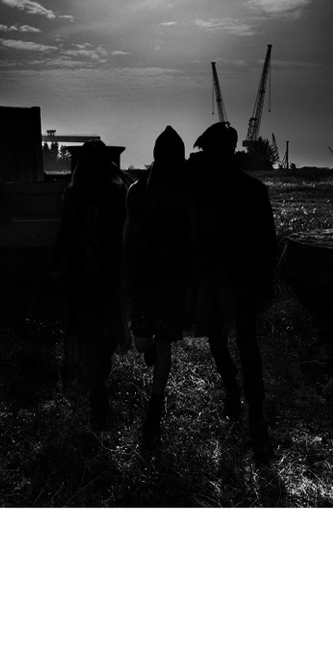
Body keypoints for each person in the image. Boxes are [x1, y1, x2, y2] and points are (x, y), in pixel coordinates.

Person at [187, 122, 276, 461]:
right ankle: (248, 407)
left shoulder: (221, 189)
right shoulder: (247, 188)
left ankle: (243, 401)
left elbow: (265, 243)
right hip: (233, 279)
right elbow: (268, 243)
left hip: (236, 280)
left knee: (230, 341)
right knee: (236, 343)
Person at [48, 140, 129, 430]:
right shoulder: (74, 194)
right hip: (80, 278)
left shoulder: (115, 195)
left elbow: (121, 238)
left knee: (105, 341)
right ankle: (98, 400)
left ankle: (98, 388)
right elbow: (65, 232)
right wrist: (57, 264)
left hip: (105, 279)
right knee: (88, 340)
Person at [122, 126, 193, 446]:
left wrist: (170, 251)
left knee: (163, 345)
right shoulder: (139, 190)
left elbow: (193, 234)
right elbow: (129, 232)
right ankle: (155, 394)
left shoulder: (185, 191)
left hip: (172, 276)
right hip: (148, 276)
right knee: (142, 344)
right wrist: (142, 254)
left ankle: (155, 406)